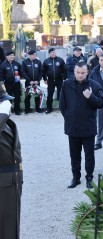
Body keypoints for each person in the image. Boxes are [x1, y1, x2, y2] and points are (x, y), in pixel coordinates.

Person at [60, 62, 103, 189]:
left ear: (87, 72)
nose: (80, 75)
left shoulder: (94, 85)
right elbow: (62, 105)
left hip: (88, 127)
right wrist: (69, 117)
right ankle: (76, 178)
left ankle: (89, 177)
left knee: (89, 155)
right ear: (74, 72)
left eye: (83, 73)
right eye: (77, 72)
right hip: (72, 126)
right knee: (74, 154)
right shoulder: (66, 84)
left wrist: (90, 96)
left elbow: (101, 103)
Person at [0, 84, 23, 239]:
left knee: (11, 228)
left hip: (12, 183)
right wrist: (2, 115)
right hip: (3, 183)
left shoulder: (6, 123)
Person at [42, 48, 67, 114]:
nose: (53, 53)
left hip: (59, 80)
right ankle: (49, 108)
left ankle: (63, 108)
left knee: (62, 94)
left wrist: (64, 78)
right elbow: (43, 71)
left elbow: (64, 70)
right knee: (50, 95)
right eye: (51, 52)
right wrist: (45, 79)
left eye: (54, 52)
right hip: (50, 80)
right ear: (49, 53)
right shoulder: (46, 61)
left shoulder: (60, 60)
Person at [0, 51, 23, 115]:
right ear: (6, 57)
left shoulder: (17, 64)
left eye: (12, 55)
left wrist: (20, 77)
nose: (11, 56)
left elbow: (21, 73)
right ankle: (9, 110)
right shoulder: (3, 64)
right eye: (10, 55)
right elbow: (1, 75)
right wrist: (2, 83)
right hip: (7, 84)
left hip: (16, 83)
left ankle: (17, 110)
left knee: (17, 97)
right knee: (8, 98)